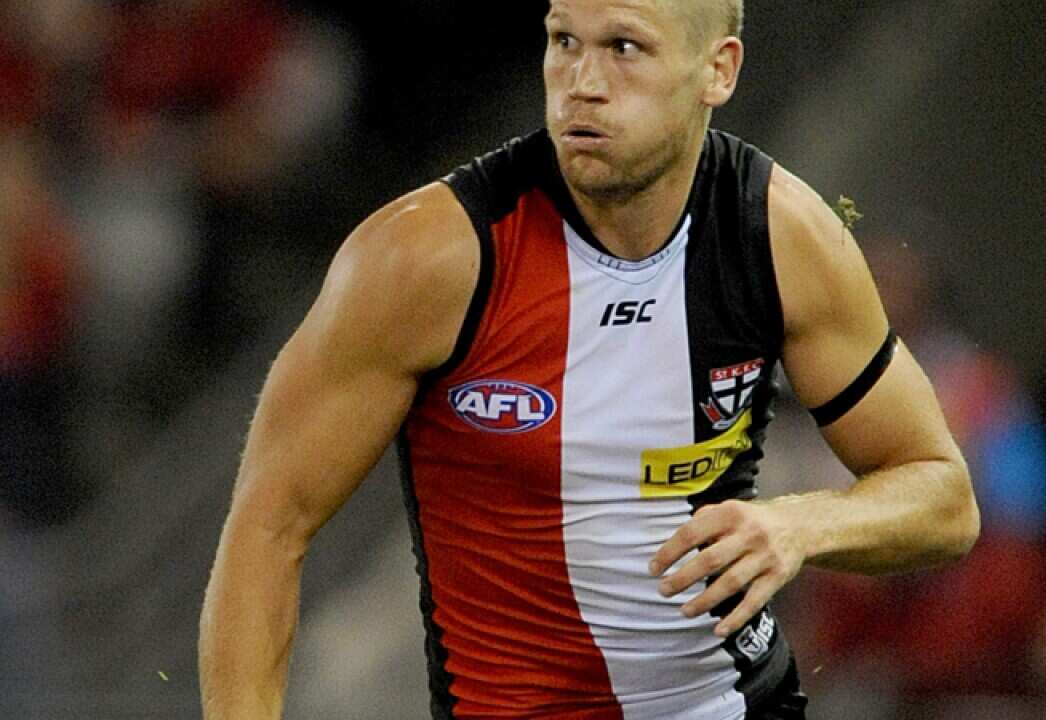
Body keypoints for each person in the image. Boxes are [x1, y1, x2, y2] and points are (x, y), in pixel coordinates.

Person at [198, 1, 980, 718]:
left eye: (625, 48)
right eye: (563, 42)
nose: (582, 83)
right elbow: (268, 527)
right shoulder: (425, 259)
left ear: (720, 69)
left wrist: (799, 524)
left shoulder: (783, 238)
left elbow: (944, 497)